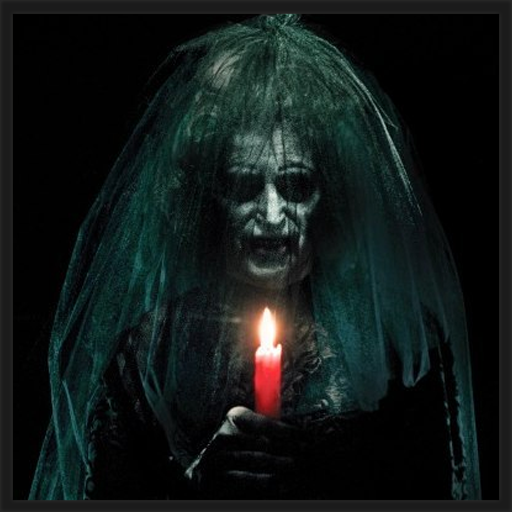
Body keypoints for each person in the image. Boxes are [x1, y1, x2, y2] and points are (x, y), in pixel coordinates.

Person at [29, 14, 481, 500]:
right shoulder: (150, 353)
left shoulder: (396, 343)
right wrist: (197, 485)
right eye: (244, 186)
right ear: (207, 199)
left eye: (295, 185)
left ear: (331, 198)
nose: (271, 214)